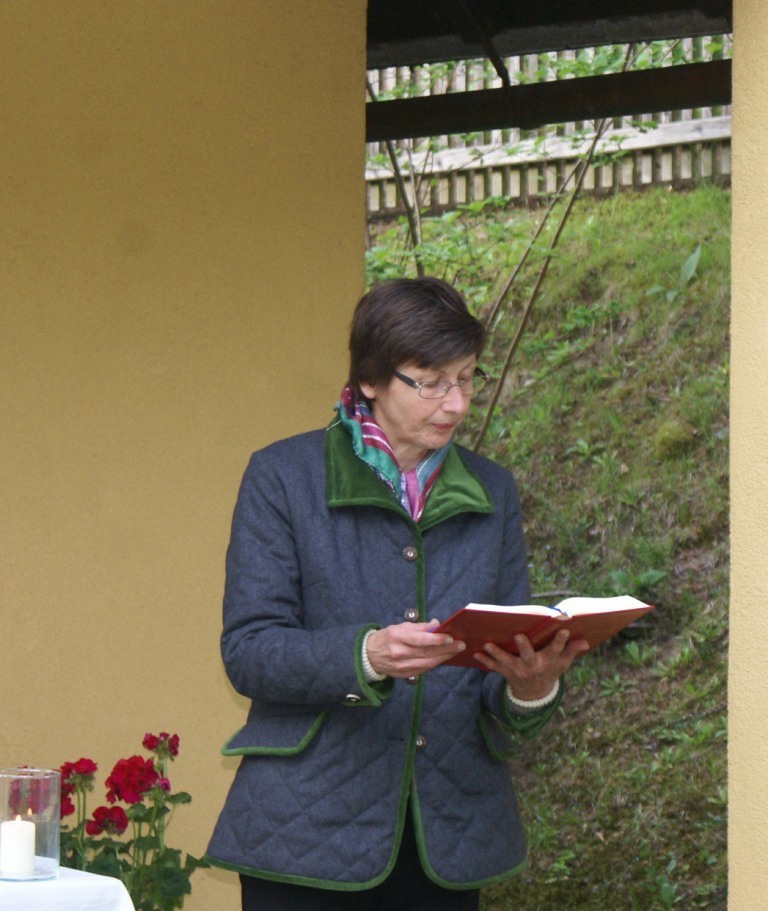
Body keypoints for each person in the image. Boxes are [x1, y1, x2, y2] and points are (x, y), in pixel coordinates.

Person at [206, 277, 588, 911]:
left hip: (449, 836)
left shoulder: (493, 490)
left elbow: (499, 673)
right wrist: (368, 655)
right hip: (303, 833)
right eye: (430, 382)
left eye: (465, 378)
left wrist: (531, 685)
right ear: (370, 379)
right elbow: (250, 651)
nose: (455, 403)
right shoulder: (282, 476)